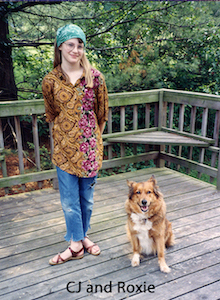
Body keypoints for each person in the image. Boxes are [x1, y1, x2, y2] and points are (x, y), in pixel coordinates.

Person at [42, 24, 108, 265]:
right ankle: (77, 244)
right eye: (70, 44)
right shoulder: (50, 80)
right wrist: (67, 138)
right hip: (63, 151)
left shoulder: (96, 78)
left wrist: (92, 141)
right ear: (60, 46)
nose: (76, 49)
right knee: (70, 202)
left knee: (86, 200)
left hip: (90, 151)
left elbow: (101, 115)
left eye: (80, 45)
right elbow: (52, 115)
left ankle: (80, 240)